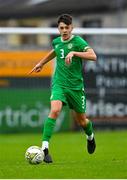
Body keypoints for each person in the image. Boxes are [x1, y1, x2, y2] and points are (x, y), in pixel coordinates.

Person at [29, 14, 97, 163]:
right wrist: (41, 63)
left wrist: (74, 52)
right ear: (58, 29)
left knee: (82, 121)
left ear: (71, 28)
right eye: (62, 28)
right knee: (55, 110)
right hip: (59, 84)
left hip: (76, 87)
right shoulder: (56, 41)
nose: (64, 30)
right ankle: (45, 148)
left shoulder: (78, 41)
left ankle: (90, 136)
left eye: (67, 27)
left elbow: (93, 56)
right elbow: (55, 51)